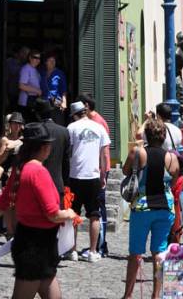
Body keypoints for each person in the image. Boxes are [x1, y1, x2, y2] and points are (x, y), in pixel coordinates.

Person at [0, 123, 76, 299]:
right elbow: (52, 213)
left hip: (31, 241)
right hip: (36, 246)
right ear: (44, 147)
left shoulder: (20, 169)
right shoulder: (37, 171)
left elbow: (1, 204)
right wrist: (69, 214)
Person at [121, 118, 179, 299]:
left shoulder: (137, 152)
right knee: (159, 253)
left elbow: (125, 171)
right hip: (165, 208)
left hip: (142, 207)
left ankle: (128, 295)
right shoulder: (172, 157)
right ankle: (156, 295)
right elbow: (175, 180)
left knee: (136, 254)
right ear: (164, 137)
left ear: (146, 134)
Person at [66, 100, 110, 262]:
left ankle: (73, 250)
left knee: (73, 215)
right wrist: (103, 175)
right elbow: (105, 154)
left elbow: (68, 152)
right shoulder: (99, 128)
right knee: (94, 215)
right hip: (93, 176)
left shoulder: (71, 128)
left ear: (74, 115)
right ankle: (92, 251)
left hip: (75, 175)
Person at [81, 94, 111, 257]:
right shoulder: (95, 120)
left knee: (98, 210)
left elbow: (104, 152)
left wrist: (102, 174)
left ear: (86, 105)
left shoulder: (96, 122)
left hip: (99, 171)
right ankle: (100, 245)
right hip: (98, 170)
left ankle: (100, 246)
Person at [34, 99, 70, 206]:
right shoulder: (64, 131)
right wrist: (66, 183)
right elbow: (66, 161)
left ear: (38, 114)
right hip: (57, 184)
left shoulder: (36, 130)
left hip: (37, 184)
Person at [0, 113, 25, 186]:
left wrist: (17, 143)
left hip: (20, 175)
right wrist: (7, 150)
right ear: (10, 124)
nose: (17, 126)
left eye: (19, 123)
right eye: (14, 123)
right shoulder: (5, 140)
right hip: (7, 175)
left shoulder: (24, 139)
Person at [40, 52, 68, 125]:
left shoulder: (59, 73)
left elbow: (63, 89)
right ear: (46, 62)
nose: (52, 62)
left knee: (58, 123)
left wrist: (64, 102)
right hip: (44, 103)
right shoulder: (42, 73)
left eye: (54, 61)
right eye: (50, 61)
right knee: (45, 124)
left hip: (56, 103)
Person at [18, 51, 42, 123]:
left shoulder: (35, 70)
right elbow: (21, 86)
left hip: (33, 101)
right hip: (26, 102)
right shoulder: (26, 69)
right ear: (30, 58)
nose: (37, 60)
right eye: (35, 57)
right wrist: (37, 91)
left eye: (39, 58)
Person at [6, 47, 30, 111]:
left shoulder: (26, 65)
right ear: (21, 53)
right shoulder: (9, 62)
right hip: (11, 95)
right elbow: (5, 80)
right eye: (26, 54)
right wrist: (5, 97)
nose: (27, 57)